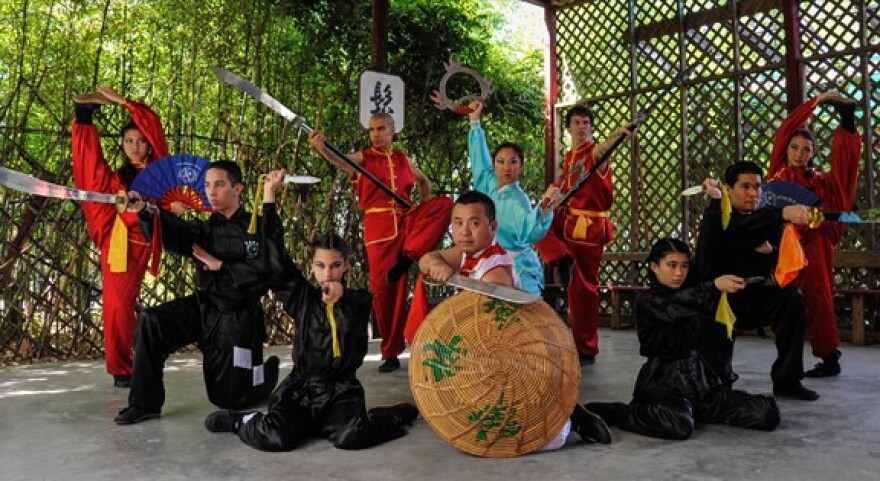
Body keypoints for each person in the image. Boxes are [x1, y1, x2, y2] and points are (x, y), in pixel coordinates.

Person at [203, 170, 418, 451]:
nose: (327, 273)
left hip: (342, 392)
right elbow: (275, 258)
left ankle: (386, 416)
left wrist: (341, 297)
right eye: (320, 266)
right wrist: (269, 197)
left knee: (350, 437)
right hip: (300, 390)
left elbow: (351, 313)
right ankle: (238, 421)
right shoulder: (301, 297)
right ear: (312, 266)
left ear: (346, 266)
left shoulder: (359, 300)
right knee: (275, 437)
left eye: (335, 266)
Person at [417, 191, 612, 448]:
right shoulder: (468, 251)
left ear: (493, 226)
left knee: (538, 435)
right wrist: (435, 264)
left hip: (510, 354)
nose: (464, 231)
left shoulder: (495, 269)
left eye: (474, 223)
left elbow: (487, 332)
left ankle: (571, 417)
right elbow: (425, 259)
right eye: (457, 222)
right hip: (487, 348)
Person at [114, 161, 279, 425]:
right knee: (151, 322)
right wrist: (146, 209)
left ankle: (263, 377)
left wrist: (222, 266)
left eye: (220, 184)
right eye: (207, 185)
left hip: (237, 315)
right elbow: (172, 232)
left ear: (238, 189)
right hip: (205, 307)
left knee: (230, 400)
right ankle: (144, 403)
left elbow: (267, 272)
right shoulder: (202, 230)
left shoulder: (257, 228)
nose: (211, 192)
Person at [585, 238, 780, 440]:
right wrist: (713, 286)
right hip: (666, 385)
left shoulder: (701, 295)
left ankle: (696, 410)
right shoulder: (649, 301)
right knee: (678, 425)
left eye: (684, 265)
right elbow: (676, 305)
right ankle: (616, 413)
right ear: (654, 267)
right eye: (671, 265)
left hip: (705, 384)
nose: (679, 273)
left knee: (765, 414)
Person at [309, 113, 452, 373]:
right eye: (372, 129)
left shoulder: (403, 159)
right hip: (380, 230)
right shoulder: (364, 158)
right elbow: (341, 159)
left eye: (381, 128)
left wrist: (422, 204)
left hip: (407, 223)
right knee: (387, 291)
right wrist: (323, 149)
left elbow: (424, 182)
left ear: (393, 131)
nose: (375, 133)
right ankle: (391, 352)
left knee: (444, 205)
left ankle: (410, 254)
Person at [72, 87, 186, 388]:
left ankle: (133, 360)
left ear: (150, 144)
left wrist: (124, 103)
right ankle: (122, 368)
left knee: (121, 304)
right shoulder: (119, 178)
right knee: (117, 304)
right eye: (128, 141)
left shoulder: (162, 170)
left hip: (142, 240)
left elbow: (155, 126)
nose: (134, 147)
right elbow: (91, 175)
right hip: (119, 243)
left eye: (140, 141)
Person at [694, 161, 818, 401]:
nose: (753, 193)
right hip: (720, 299)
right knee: (714, 383)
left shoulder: (765, 218)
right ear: (729, 189)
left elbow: (767, 247)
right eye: (745, 186)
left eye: (757, 187)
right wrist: (781, 214)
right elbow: (734, 231)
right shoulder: (716, 215)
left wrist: (771, 250)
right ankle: (717, 379)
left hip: (755, 294)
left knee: (792, 299)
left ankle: (787, 380)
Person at [767, 92, 861, 377]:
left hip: (816, 247)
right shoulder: (777, 176)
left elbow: (845, 172)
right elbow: (785, 129)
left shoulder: (821, 182)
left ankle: (830, 357)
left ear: (813, 153)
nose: (799, 153)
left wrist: (846, 124)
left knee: (819, 299)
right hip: (785, 247)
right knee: (785, 305)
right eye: (795, 147)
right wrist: (816, 102)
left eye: (806, 149)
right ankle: (788, 365)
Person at [535, 104, 634, 366]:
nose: (581, 127)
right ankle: (560, 257)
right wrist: (551, 193)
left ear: (591, 127)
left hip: (587, 229)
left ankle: (585, 347)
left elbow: (602, 150)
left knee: (583, 288)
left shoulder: (594, 153)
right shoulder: (570, 156)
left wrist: (617, 136)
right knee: (534, 224)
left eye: (586, 122)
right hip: (567, 220)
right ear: (568, 127)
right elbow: (565, 185)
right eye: (576, 122)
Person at [440, 98, 558, 296]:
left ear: (521, 166)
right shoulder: (489, 183)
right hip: (489, 261)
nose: (506, 167)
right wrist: (475, 122)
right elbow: (479, 162)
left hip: (518, 268)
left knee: (522, 316)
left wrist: (545, 206)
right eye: (500, 161)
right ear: (494, 164)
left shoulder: (517, 200)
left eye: (513, 162)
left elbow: (528, 231)